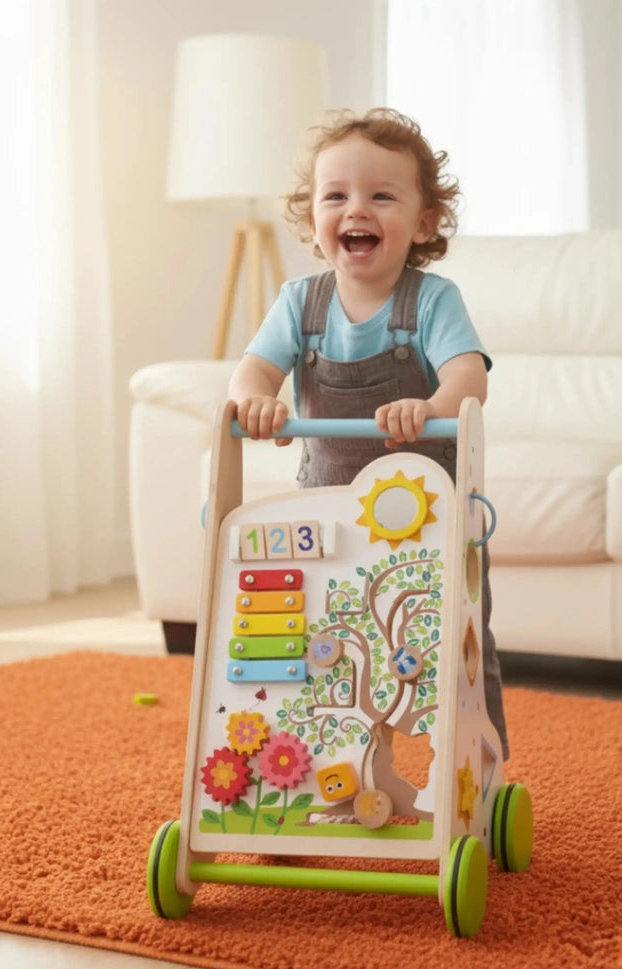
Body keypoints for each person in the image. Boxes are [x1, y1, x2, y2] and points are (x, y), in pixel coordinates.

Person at [227, 107, 508, 758]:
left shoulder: (433, 300)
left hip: (428, 518)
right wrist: (256, 401)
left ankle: (479, 760)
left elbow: (470, 380)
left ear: (425, 220)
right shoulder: (301, 302)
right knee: (326, 640)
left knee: (456, 642)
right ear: (312, 220)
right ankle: (326, 761)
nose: (357, 209)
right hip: (329, 520)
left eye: (382, 195)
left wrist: (431, 404)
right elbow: (252, 371)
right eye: (336, 196)